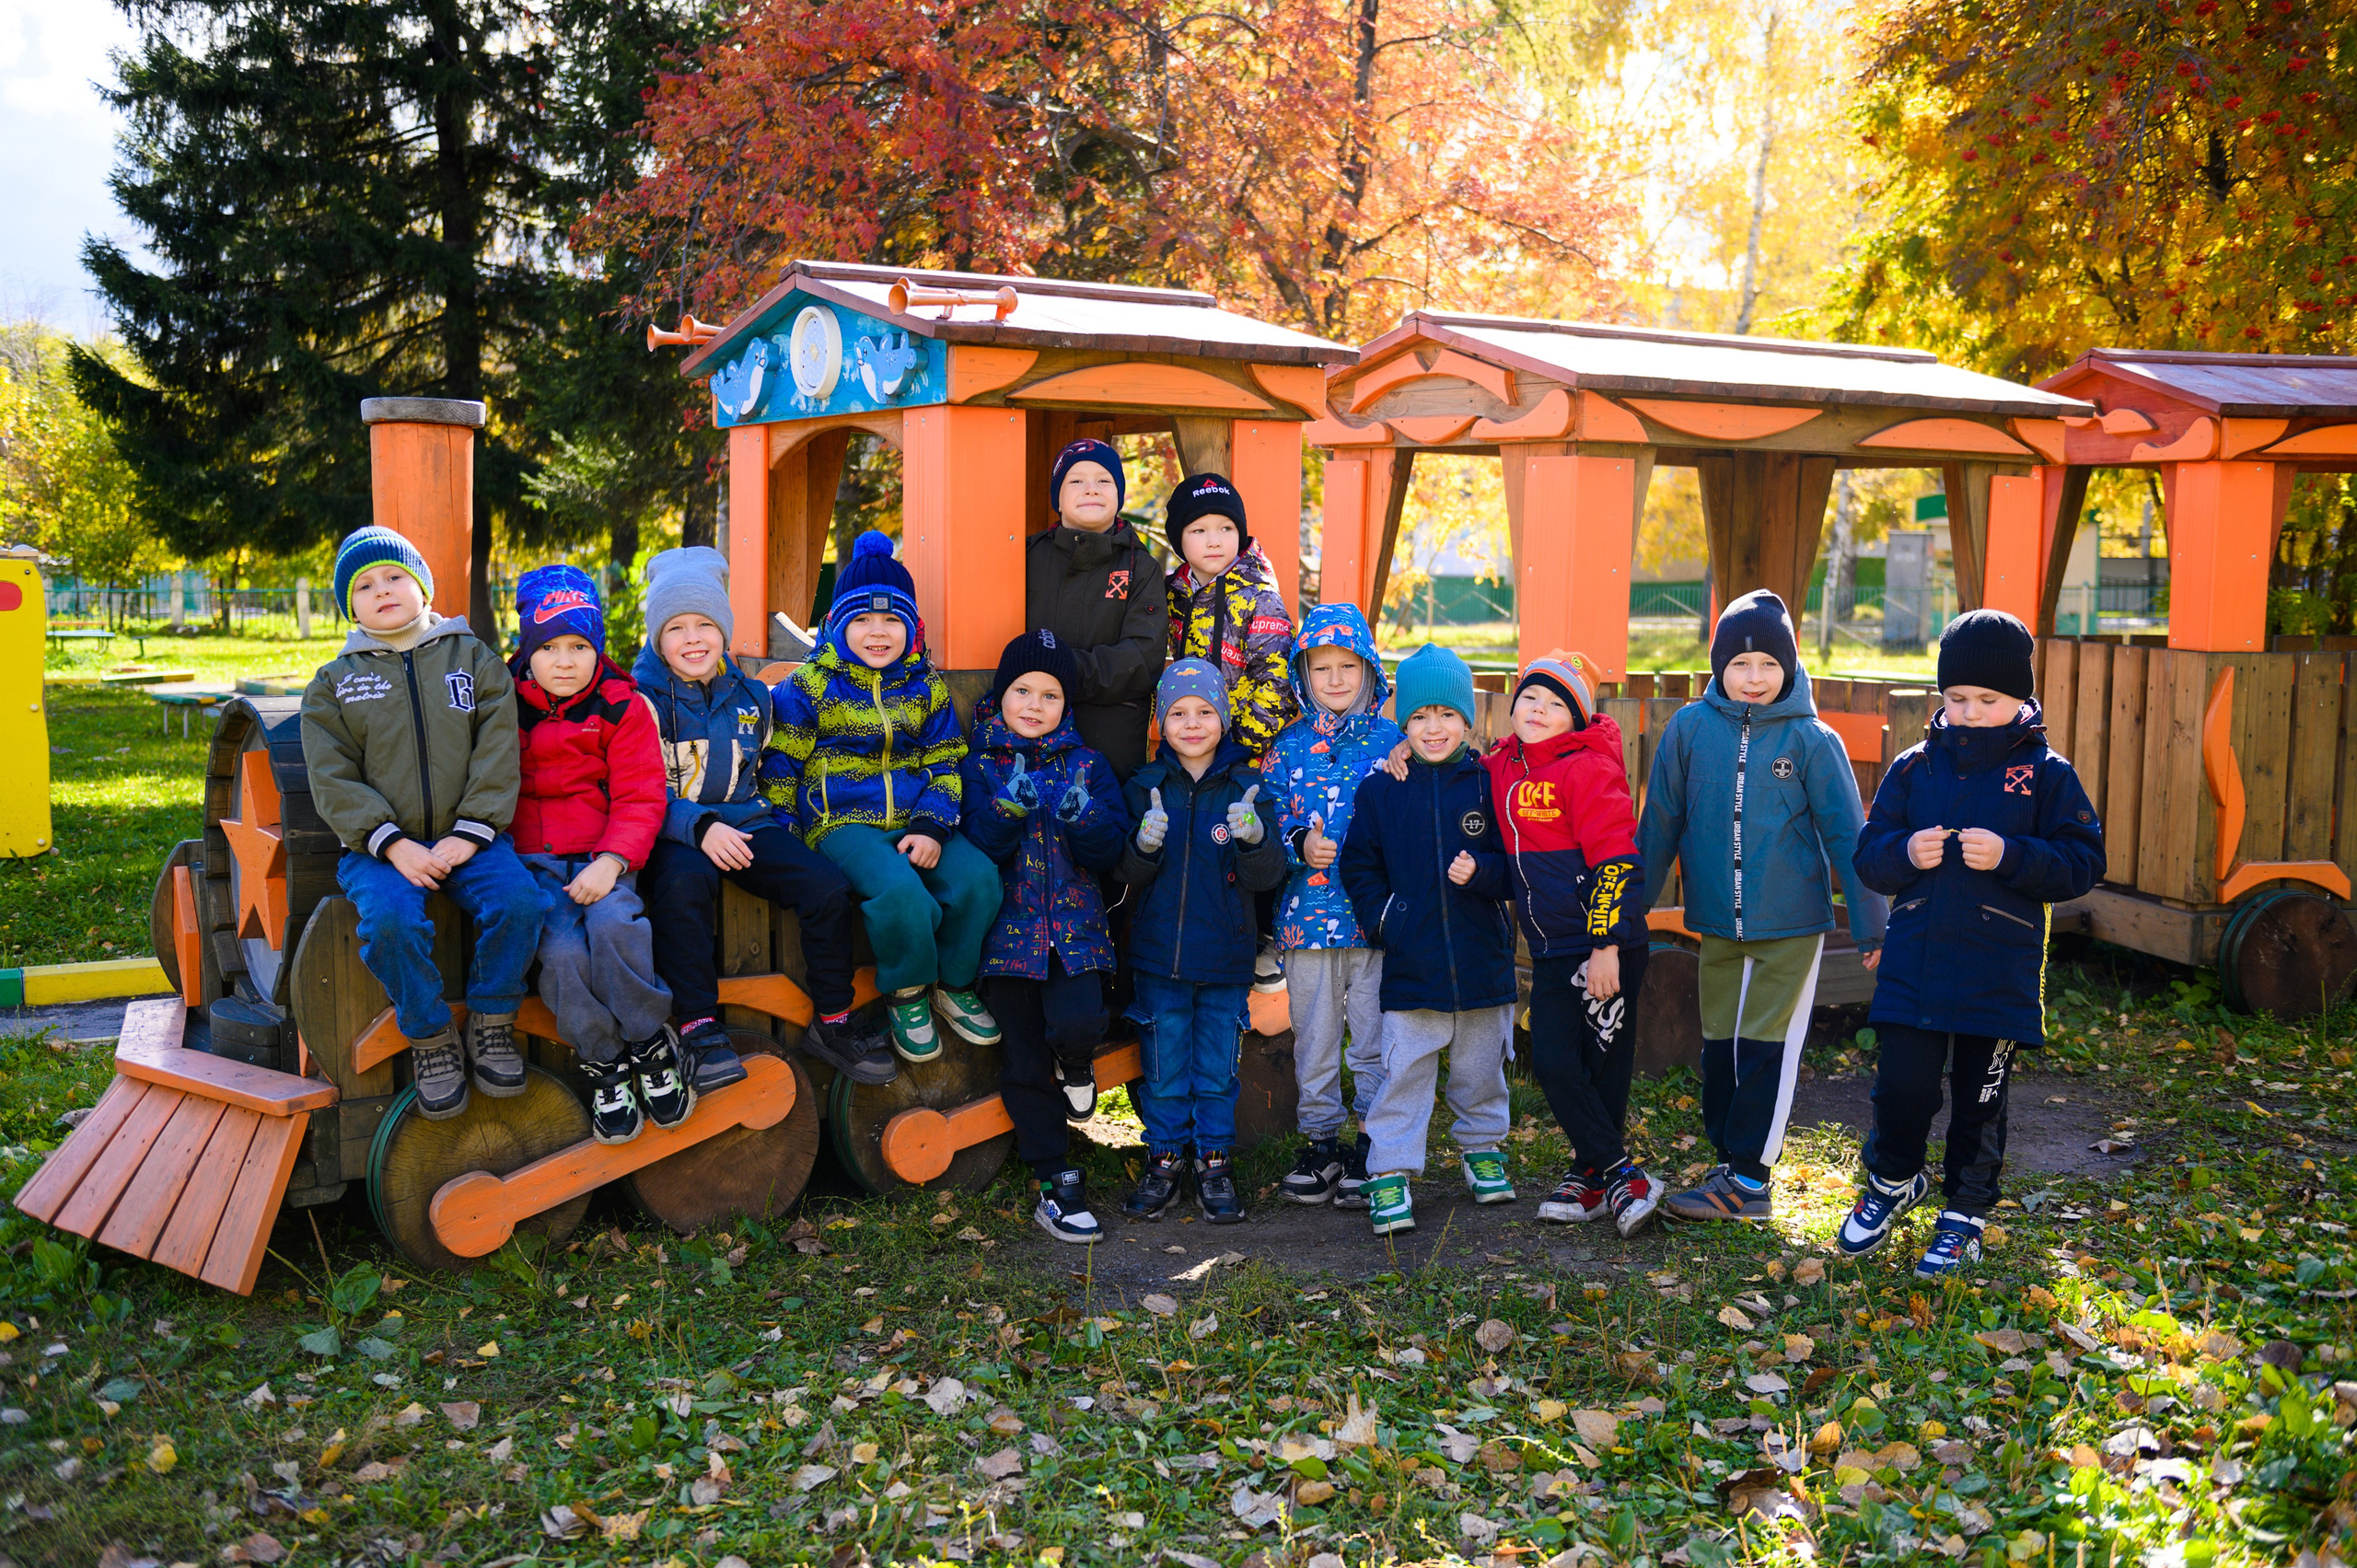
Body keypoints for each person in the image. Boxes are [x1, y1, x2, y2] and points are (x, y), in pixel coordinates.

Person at [1842, 610, 2103, 1277]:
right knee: (1901, 1087)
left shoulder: (2046, 773)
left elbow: (2082, 862)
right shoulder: (1914, 767)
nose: (1970, 712)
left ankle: (1965, 1211)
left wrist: (2013, 855)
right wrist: (1906, 851)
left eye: (1988, 699)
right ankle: (1893, 1179)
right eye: (1957, 698)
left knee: (1980, 1099)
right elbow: (1869, 856)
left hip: (1998, 970)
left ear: (2020, 698)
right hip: (1915, 960)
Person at [1639, 589, 1887, 1223]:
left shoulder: (1811, 739)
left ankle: (1750, 1180)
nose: (1754, 678)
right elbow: (1660, 824)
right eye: (1741, 664)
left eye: (1769, 665)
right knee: (1720, 1047)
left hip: (1790, 927)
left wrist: (1872, 928)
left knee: (1765, 1050)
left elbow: (1848, 836)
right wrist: (1627, 912)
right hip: (1718, 924)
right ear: (1719, 666)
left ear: (1789, 667)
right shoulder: (1689, 731)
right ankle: (1730, 1162)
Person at [300, 525, 546, 1121]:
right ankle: (431, 1036)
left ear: (423, 588)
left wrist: (472, 831)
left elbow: (497, 750)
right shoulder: (335, 684)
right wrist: (392, 844)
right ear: (349, 606)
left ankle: (492, 1018)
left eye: (395, 576)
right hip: (380, 849)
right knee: (389, 922)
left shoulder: (474, 660)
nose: (382, 590)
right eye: (364, 586)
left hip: (474, 838)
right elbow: (332, 776)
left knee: (521, 904)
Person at [632, 546, 897, 1092]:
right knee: (685, 885)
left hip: (748, 823)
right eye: (676, 628)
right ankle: (700, 1030)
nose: (693, 639)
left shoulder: (752, 697)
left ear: (724, 631)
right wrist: (698, 827)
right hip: (673, 832)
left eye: (706, 624)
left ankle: (833, 1019)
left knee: (825, 887)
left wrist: (785, 822)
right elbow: (639, 789)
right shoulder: (640, 702)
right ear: (657, 638)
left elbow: (775, 764)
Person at [769, 531, 1003, 1063]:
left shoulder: (925, 687)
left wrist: (932, 825)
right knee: (901, 894)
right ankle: (908, 990)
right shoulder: (811, 686)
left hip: (918, 816)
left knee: (979, 879)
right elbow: (782, 761)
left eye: (893, 620)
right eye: (863, 620)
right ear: (837, 625)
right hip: (842, 823)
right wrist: (785, 832)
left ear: (912, 630)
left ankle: (954, 983)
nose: (879, 632)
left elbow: (945, 761)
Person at [1338, 644, 1517, 1237]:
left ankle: (1482, 1147)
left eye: (1446, 714)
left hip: (1481, 958)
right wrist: (1386, 919)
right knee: (1405, 1071)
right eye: (1418, 716)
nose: (1433, 728)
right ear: (1403, 723)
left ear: (1468, 718)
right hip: (1412, 961)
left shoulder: (1489, 784)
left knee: (1480, 1068)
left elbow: (1517, 861)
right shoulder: (1383, 790)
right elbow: (1359, 865)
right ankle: (1389, 1170)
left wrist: (1484, 872)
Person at [960, 630, 1132, 1244]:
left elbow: (1111, 850)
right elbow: (975, 846)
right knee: (1025, 1059)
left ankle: (1078, 1064)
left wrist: (1085, 817)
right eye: (1023, 691)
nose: (1034, 705)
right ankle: (1055, 1181)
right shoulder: (979, 765)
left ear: (1067, 704)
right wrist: (1006, 809)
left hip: (1077, 935)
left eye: (1050, 695)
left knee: (1081, 1021)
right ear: (1001, 694)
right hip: (1008, 942)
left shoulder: (1088, 764)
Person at [507, 564, 688, 1142]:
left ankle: (649, 1042)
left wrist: (611, 862)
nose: (564, 662)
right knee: (561, 953)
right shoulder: (503, 706)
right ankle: (604, 1061)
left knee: (614, 928)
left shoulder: (620, 706)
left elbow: (641, 795)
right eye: (548, 648)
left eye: (579, 647)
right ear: (526, 650)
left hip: (605, 858)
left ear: (598, 648)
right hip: (534, 866)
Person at [1483, 653, 1661, 1237]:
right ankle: (1618, 1174)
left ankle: (1594, 1175)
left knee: (1602, 1066)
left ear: (1576, 719)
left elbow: (1616, 860)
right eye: (1531, 697)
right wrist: (1405, 753)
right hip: (1552, 946)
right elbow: (1453, 769)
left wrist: (1605, 945)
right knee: (1557, 1063)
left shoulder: (1587, 769)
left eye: (1557, 704)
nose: (1539, 710)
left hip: (1605, 946)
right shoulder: (1502, 763)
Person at [1115, 658, 1287, 1225]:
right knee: (1163, 1068)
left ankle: (1214, 1160)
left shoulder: (1247, 787)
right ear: (1161, 722)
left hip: (1225, 959)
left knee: (1217, 1069)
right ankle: (1165, 1158)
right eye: (1178, 713)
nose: (1192, 724)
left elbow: (1267, 877)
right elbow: (1125, 875)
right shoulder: (1144, 787)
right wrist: (1143, 846)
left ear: (1224, 719)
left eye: (1205, 712)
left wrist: (1255, 837)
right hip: (1158, 957)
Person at [1261, 603, 1401, 1209]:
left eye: (1349, 666)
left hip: (1373, 921)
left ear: (1369, 670)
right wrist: (1298, 843)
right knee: (1314, 1037)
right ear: (1304, 674)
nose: (1336, 679)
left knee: (1374, 1034)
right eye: (1322, 668)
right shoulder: (1288, 746)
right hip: (1307, 920)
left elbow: (1414, 814)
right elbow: (1265, 816)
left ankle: (1372, 1142)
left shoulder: (1393, 742)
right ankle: (1321, 1144)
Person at [1164, 471, 1296, 991]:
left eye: (1225, 528)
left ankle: (1261, 937)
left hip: (1243, 750)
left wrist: (1239, 744)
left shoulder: (1260, 598)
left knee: (1246, 833)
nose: (1214, 540)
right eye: (1198, 530)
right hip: (1185, 742)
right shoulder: (1172, 596)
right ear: (1180, 540)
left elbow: (1276, 681)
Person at [1026, 438, 1167, 780]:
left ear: (1119, 495)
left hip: (1111, 743)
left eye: (1104, 480)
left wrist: (1060, 670)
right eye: (1076, 481)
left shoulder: (1141, 567)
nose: (1091, 489)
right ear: (1058, 498)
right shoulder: (1027, 557)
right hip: (1030, 732)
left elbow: (1142, 658)